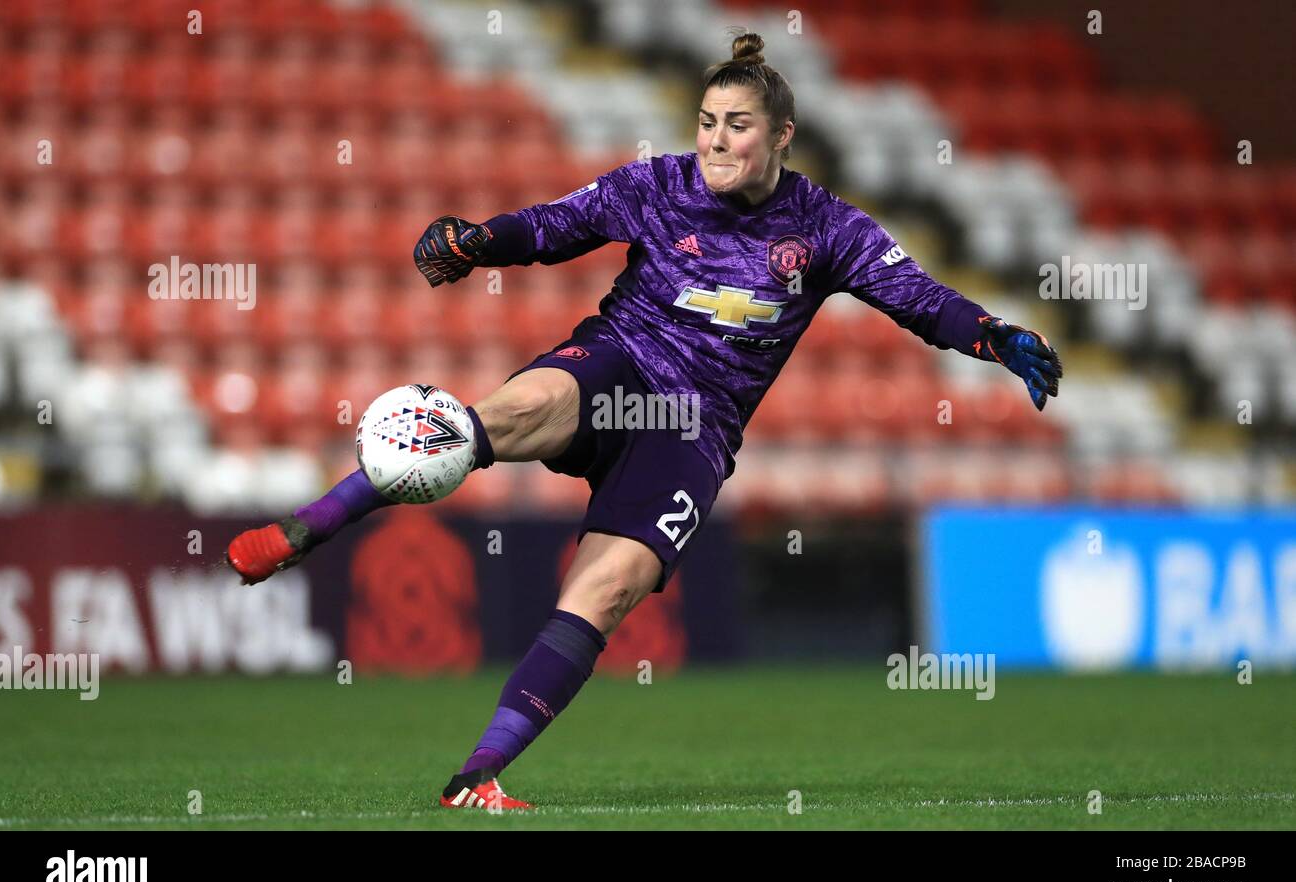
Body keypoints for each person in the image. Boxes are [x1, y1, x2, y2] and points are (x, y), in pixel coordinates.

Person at [227, 31, 1062, 810]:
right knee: (517, 410)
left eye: (737, 126)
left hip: (695, 428)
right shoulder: (658, 185)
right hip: (621, 362)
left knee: (610, 587)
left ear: (782, 137)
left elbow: (918, 300)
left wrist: (993, 335)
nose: (715, 141)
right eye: (706, 123)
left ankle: (476, 778)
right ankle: (307, 527)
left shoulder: (828, 229)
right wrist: (479, 241)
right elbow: (557, 226)